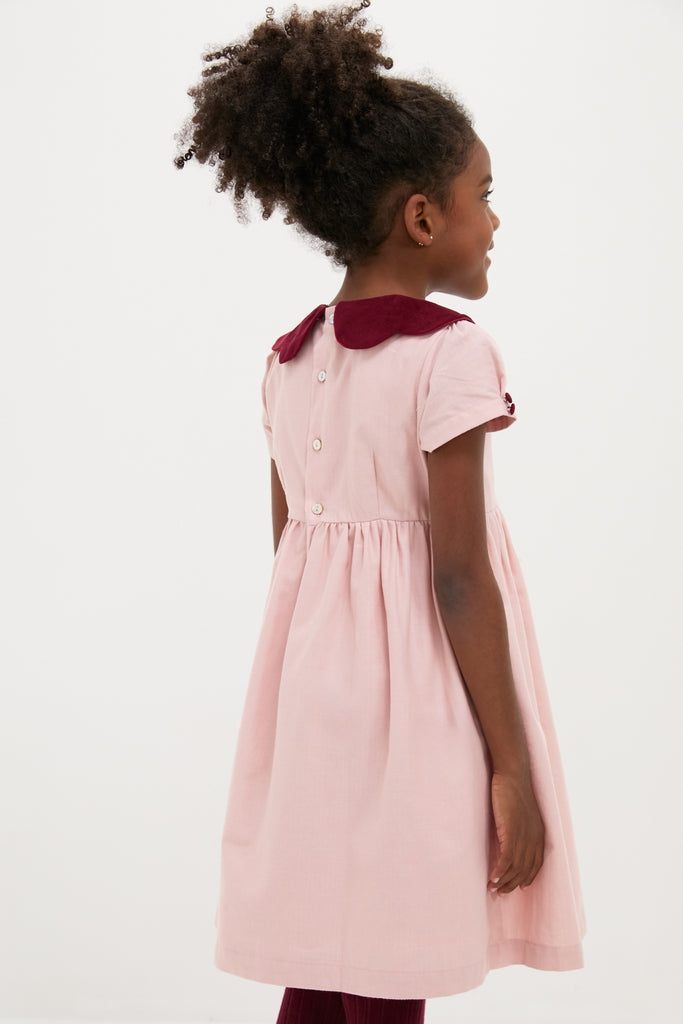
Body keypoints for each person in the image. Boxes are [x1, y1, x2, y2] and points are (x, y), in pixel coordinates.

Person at [175, 3, 586, 1021]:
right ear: (420, 218)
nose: (494, 220)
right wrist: (510, 766)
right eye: (482, 196)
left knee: (323, 955)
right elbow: (456, 573)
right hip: (418, 709)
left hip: (309, 702)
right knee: (392, 962)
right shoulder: (451, 354)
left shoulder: (288, 359)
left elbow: (292, 550)